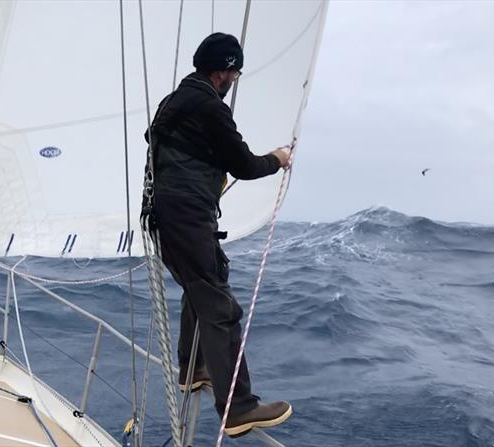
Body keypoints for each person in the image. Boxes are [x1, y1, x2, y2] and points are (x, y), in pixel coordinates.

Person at [143, 32, 292, 437]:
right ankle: (239, 408)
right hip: (187, 218)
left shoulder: (173, 102)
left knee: (204, 286)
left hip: (168, 217)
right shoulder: (209, 107)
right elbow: (243, 164)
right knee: (221, 307)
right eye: (234, 74)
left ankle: (194, 369)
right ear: (224, 71)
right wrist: (277, 160)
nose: (233, 82)